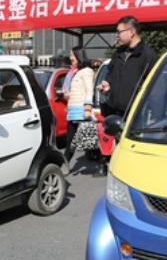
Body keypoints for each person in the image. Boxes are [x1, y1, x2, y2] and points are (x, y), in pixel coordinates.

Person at [95, 15, 158, 175]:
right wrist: (106, 84)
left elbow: (155, 87)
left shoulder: (148, 55)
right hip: (116, 112)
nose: (117, 35)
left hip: (137, 115)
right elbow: (110, 75)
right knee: (120, 149)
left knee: (136, 151)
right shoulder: (118, 54)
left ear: (131, 32)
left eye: (119, 32)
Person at [63, 47, 94, 164]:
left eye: (73, 55)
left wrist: (87, 108)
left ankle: (64, 163)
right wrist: (68, 94)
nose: (71, 57)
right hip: (73, 111)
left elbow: (89, 90)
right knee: (80, 141)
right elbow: (78, 90)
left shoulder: (86, 71)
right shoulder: (76, 72)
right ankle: (100, 160)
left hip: (80, 111)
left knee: (77, 141)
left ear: (79, 55)